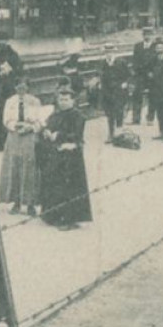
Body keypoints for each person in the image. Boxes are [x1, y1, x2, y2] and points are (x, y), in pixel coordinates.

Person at [37, 85, 93, 229]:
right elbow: (47, 128)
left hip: (71, 157)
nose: (63, 102)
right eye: (60, 99)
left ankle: (67, 219)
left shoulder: (78, 116)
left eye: (66, 99)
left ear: (73, 101)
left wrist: (58, 135)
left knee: (68, 188)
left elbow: (76, 135)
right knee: (53, 185)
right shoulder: (54, 115)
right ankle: (52, 216)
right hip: (55, 155)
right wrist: (45, 132)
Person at [0, 77, 46, 215]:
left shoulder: (35, 102)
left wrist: (30, 128)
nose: (21, 91)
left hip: (29, 138)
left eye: (23, 88)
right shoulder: (10, 102)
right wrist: (15, 126)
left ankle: (30, 203)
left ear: (28, 88)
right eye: (18, 88)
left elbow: (40, 121)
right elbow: (6, 120)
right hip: (14, 137)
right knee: (14, 167)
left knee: (30, 168)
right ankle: (16, 202)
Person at [97, 43, 131, 142]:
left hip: (119, 91)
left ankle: (119, 133)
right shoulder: (102, 63)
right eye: (107, 52)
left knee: (119, 112)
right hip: (107, 92)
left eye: (110, 52)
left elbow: (129, 75)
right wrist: (99, 83)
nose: (109, 54)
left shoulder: (121, 62)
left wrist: (125, 83)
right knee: (110, 114)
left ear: (114, 52)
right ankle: (111, 134)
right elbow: (99, 75)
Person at [129, 28, 158, 126]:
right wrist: (134, 71)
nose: (147, 36)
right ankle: (136, 119)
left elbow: (157, 63)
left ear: (153, 35)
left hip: (151, 76)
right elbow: (134, 60)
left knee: (153, 96)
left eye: (149, 34)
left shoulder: (156, 47)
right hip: (140, 75)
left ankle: (150, 118)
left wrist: (153, 72)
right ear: (143, 35)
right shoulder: (138, 46)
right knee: (137, 96)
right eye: (145, 34)